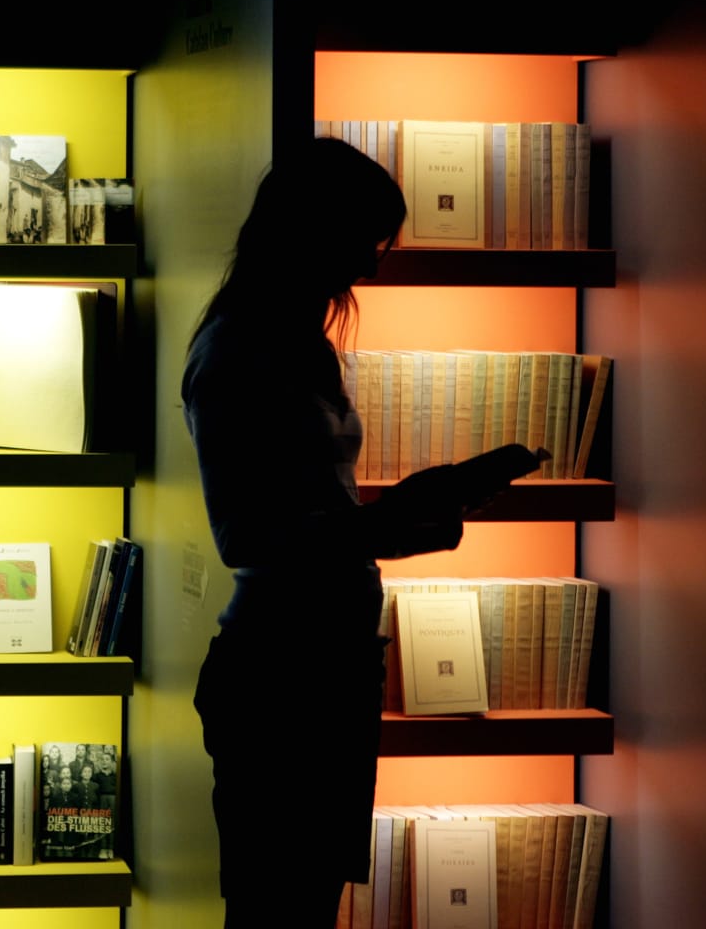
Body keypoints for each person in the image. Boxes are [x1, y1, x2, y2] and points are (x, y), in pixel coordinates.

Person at [184, 137, 536, 926]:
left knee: (299, 902)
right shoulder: (241, 351)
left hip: (323, 667)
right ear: (308, 233)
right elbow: (249, 539)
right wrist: (382, 524)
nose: (368, 269)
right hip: (285, 678)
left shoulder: (296, 346)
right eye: (360, 244)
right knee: (282, 905)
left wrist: (407, 512)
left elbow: (306, 517)